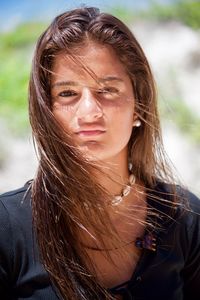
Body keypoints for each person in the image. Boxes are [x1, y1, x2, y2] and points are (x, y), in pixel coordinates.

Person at [0, 7, 199, 300]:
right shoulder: (7, 228)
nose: (89, 112)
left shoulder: (184, 218)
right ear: (47, 112)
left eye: (107, 89)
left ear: (138, 106)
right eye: (67, 94)